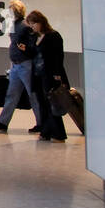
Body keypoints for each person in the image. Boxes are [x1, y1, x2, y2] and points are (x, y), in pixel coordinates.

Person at [0, 0, 41, 134]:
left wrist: (24, 49)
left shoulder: (25, 26)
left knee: (32, 95)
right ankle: (3, 122)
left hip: (25, 65)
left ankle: (41, 122)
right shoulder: (14, 25)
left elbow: (32, 45)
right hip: (17, 66)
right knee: (12, 94)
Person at [26, 10, 68, 143]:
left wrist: (57, 74)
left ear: (40, 22)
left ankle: (58, 134)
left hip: (49, 75)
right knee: (42, 104)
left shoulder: (53, 36)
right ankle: (46, 131)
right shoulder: (35, 37)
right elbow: (33, 54)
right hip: (38, 75)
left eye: (33, 24)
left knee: (52, 104)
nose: (32, 27)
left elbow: (58, 56)